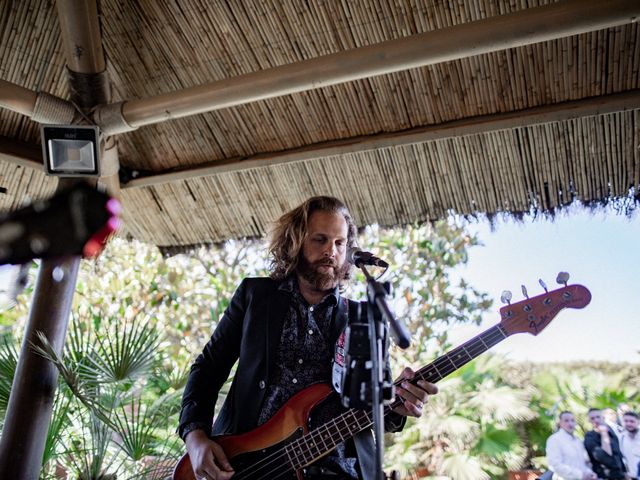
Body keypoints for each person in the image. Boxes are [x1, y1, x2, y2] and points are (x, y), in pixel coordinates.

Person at [178, 196, 438, 480]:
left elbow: (374, 409)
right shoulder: (256, 297)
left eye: (339, 243)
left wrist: (399, 404)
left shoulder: (365, 318)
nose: (331, 251)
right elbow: (209, 367)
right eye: (320, 240)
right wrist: (195, 435)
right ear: (295, 242)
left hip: (338, 470)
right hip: (246, 466)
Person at [545, 411, 597, 480]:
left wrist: (590, 473)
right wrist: (580, 475)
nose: (570, 423)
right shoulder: (554, 440)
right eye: (566, 420)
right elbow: (555, 465)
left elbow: (584, 463)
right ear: (560, 423)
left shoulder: (578, 441)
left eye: (572, 420)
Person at [584, 407, 626, 479]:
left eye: (598, 417)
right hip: (605, 477)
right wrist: (604, 434)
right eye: (592, 418)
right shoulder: (589, 437)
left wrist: (625, 472)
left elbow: (618, 454)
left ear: (603, 417)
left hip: (621, 475)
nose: (596, 420)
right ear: (589, 420)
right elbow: (606, 456)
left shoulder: (611, 431)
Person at [620, 411, 640, 479]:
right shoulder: (621, 438)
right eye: (626, 421)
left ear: (638, 422)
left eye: (632, 421)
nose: (628, 423)